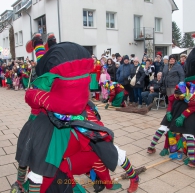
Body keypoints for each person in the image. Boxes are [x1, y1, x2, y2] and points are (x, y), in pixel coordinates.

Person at [10, 35, 139, 193]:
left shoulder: (65, 78)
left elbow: (43, 95)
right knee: (34, 150)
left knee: (108, 147)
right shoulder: (49, 82)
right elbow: (39, 87)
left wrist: (36, 96)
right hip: (53, 118)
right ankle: (20, 181)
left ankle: (134, 177)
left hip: (78, 115)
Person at [147, 48, 195, 168]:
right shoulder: (183, 86)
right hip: (177, 110)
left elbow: (191, 104)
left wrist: (182, 115)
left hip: (184, 111)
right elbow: (173, 99)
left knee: (185, 132)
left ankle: (192, 158)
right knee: (167, 128)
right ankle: (152, 147)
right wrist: (169, 111)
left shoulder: (186, 87)